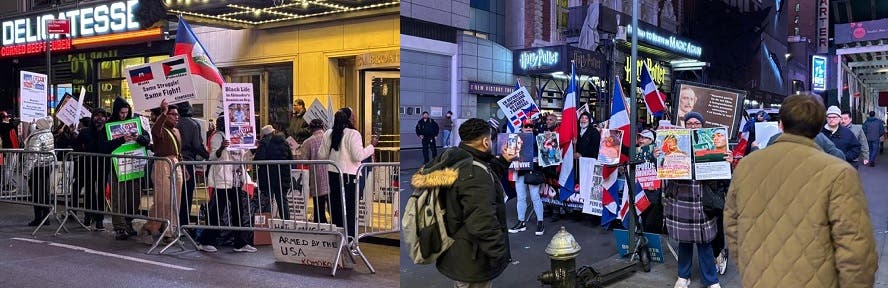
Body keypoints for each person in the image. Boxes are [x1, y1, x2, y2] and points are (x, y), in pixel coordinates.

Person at [725, 94, 877, 287]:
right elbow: (856, 247)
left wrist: (750, 268)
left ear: (780, 124)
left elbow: (732, 224)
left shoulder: (747, 166)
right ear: (819, 127)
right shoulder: (839, 173)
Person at [410, 118, 515, 288]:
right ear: (485, 141)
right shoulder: (474, 172)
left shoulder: (456, 159)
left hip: (457, 249)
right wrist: (499, 253)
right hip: (473, 257)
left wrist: (503, 161)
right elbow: (482, 222)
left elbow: (481, 178)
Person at [657, 112, 728, 288]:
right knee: (684, 241)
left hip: (703, 199)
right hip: (681, 196)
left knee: (705, 242)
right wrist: (659, 156)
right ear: (685, 125)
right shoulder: (674, 141)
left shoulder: (713, 144)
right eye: (689, 123)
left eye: (697, 123)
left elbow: (723, 177)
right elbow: (664, 172)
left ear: (702, 126)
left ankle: (710, 280)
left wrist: (727, 161)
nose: (693, 126)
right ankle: (683, 276)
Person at [197, 115, 255, 253]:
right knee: (217, 210)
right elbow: (211, 157)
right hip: (222, 179)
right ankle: (206, 241)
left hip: (235, 179)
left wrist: (250, 148)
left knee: (238, 211)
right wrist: (221, 148)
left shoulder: (237, 135)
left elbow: (243, 156)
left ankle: (240, 243)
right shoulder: (218, 136)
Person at [319, 107, 377, 239]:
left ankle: (337, 238)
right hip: (350, 177)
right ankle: (350, 239)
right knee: (350, 210)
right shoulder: (353, 134)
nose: (356, 118)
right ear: (350, 119)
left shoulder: (328, 133)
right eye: (354, 116)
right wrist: (371, 146)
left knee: (335, 207)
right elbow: (358, 156)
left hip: (333, 174)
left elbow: (321, 155)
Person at [100, 97, 151, 240]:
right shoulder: (108, 125)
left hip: (134, 166)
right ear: (117, 112)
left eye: (126, 113)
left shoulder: (135, 123)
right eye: (121, 113)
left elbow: (147, 141)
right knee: (118, 198)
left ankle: (128, 223)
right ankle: (120, 228)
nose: (123, 115)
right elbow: (104, 147)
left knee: (133, 197)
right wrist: (121, 139)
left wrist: (138, 137)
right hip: (118, 168)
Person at [143, 99, 186, 245]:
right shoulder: (159, 129)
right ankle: (151, 226)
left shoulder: (177, 131)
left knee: (175, 200)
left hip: (176, 164)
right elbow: (155, 130)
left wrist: (183, 168)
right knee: (163, 199)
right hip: (162, 164)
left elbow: (179, 152)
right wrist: (163, 112)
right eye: (173, 114)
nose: (176, 117)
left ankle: (170, 230)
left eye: (177, 115)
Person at [176, 102, 210, 231]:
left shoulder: (175, 124)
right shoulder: (193, 124)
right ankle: (184, 223)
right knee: (186, 194)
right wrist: (207, 156)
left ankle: (174, 222)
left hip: (174, 161)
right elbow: (197, 145)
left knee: (176, 194)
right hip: (187, 162)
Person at [508, 120, 544, 236]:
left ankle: (540, 222)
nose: (529, 128)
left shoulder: (539, 137)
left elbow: (546, 153)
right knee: (521, 197)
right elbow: (510, 153)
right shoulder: (514, 138)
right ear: (522, 127)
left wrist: (539, 158)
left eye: (531, 126)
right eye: (526, 126)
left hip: (533, 171)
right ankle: (521, 222)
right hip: (520, 170)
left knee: (535, 196)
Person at [254, 125, 293, 220]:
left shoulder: (264, 143)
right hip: (282, 176)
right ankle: (286, 222)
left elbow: (259, 159)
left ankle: (267, 222)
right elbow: (290, 158)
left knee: (267, 200)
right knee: (282, 200)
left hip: (268, 176)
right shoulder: (284, 142)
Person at [24, 116, 55, 226]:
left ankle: (38, 218)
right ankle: (46, 218)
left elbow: (32, 155)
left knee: (37, 193)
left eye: (37, 124)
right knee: (45, 192)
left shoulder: (37, 137)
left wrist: (26, 172)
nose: (35, 126)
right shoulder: (49, 134)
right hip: (47, 166)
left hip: (37, 167)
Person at [297, 119, 330, 223]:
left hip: (317, 176)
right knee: (332, 202)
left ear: (311, 129)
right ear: (322, 127)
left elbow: (304, 161)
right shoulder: (330, 138)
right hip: (332, 173)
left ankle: (320, 223)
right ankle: (336, 225)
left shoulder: (308, 142)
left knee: (319, 204)